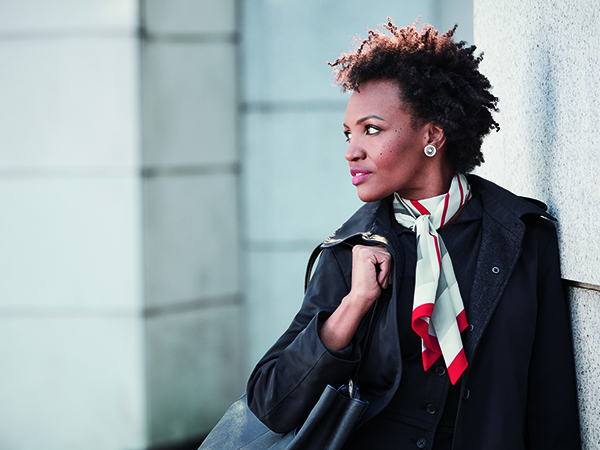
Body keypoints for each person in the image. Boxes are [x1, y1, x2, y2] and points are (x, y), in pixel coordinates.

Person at [246, 19, 581, 449]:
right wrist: (353, 306)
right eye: (348, 134)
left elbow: (550, 398)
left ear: (432, 135)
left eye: (371, 129)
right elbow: (269, 404)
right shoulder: (349, 252)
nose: (352, 150)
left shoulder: (522, 236)